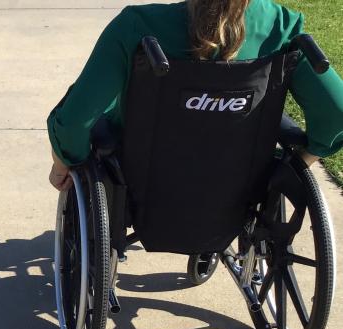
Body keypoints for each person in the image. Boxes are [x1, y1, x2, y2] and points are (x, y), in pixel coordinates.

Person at [47, 0, 343, 191]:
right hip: (242, 190)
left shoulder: (136, 27)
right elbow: (337, 112)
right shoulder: (280, 28)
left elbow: (74, 122)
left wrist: (63, 162)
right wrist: (301, 162)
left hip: (140, 186)